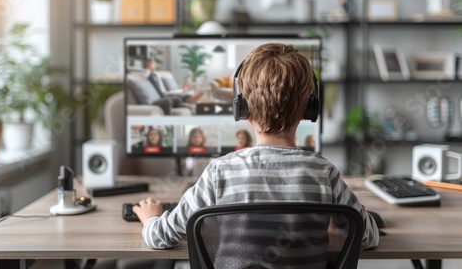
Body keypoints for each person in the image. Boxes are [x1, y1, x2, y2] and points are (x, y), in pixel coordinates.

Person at [133, 43, 379, 262]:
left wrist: (150, 217)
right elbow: (367, 236)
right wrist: (335, 226)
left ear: (242, 108)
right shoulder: (323, 172)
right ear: (308, 109)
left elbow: (160, 237)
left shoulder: (219, 172)